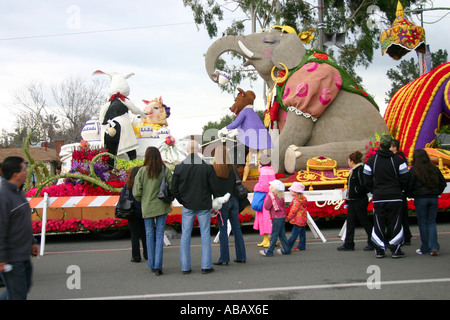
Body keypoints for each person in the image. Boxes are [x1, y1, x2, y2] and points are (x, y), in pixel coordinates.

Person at [172, 140, 222, 274]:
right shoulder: (207, 167)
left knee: (185, 235)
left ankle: (185, 267)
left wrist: (182, 201)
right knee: (205, 234)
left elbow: (174, 188)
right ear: (199, 150)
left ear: (187, 150)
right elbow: (214, 187)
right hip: (204, 204)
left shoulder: (179, 167)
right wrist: (214, 202)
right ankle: (206, 266)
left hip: (188, 204)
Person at [363, 135, 409, 258]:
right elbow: (405, 178)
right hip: (395, 196)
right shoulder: (398, 160)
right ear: (390, 146)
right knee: (395, 222)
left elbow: (366, 179)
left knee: (379, 222)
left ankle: (379, 249)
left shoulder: (371, 161)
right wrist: (400, 189)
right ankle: (395, 249)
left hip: (379, 197)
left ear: (379, 145)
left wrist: (373, 190)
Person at [0, 156, 39, 300]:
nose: (27, 172)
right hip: (12, 258)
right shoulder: (3, 197)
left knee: (22, 288)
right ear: (15, 174)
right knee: (18, 294)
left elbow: (22, 222)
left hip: (23, 254)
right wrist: (2, 258)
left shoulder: (18, 192)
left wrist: (32, 242)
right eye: (24, 169)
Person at [133, 147, 172, 276]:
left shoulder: (142, 171)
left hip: (147, 206)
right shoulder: (164, 170)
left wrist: (143, 199)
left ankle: (151, 264)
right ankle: (158, 266)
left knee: (149, 235)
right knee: (160, 235)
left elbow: (137, 191)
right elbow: (172, 186)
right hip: (162, 205)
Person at [407, 149, 446, 256]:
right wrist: (437, 192)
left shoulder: (414, 170)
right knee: (431, 222)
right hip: (433, 197)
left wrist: (410, 194)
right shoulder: (433, 168)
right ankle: (434, 247)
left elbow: (409, 185)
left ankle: (425, 247)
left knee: (423, 223)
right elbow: (443, 183)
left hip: (420, 198)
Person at [212, 146, 247, 265]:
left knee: (223, 230)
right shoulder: (233, 167)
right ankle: (241, 256)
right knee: (236, 228)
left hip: (222, 203)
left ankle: (224, 258)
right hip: (233, 200)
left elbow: (213, 188)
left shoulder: (214, 169)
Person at [338, 151, 373, 252]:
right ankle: (349, 243)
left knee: (364, 222)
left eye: (349, 161)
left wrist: (357, 191)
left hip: (359, 200)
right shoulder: (353, 171)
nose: (348, 162)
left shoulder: (360, 170)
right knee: (350, 222)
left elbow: (365, 184)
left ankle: (372, 242)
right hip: (353, 200)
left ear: (352, 161)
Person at [120, 166, 147, 263]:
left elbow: (122, 199)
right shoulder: (144, 184)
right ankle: (147, 254)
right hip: (143, 211)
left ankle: (136, 256)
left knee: (134, 235)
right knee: (145, 234)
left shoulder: (127, 185)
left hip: (131, 212)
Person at [260, 180, 291, 256]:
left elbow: (266, 206)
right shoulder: (281, 197)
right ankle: (287, 249)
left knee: (274, 234)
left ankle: (269, 251)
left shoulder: (271, 196)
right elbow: (283, 207)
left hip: (276, 217)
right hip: (282, 216)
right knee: (281, 234)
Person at [390, 139, 412, 245]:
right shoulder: (401, 157)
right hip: (401, 190)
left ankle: (405, 237)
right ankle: (406, 236)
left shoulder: (398, 158)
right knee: (402, 216)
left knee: (401, 216)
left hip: (399, 190)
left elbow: (403, 176)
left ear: (395, 148)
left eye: (390, 147)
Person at [253, 153, 276, 247]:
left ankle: (267, 239)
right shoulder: (271, 170)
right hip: (270, 196)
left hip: (264, 197)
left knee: (264, 218)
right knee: (269, 218)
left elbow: (264, 186)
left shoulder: (263, 171)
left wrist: (256, 187)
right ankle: (267, 238)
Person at [286, 182, 308, 251]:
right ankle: (301, 246)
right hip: (302, 218)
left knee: (294, 234)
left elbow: (293, 211)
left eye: (292, 191)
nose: (290, 192)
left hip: (297, 220)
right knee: (302, 233)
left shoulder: (297, 201)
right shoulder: (303, 199)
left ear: (296, 192)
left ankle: (287, 246)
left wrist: (288, 218)